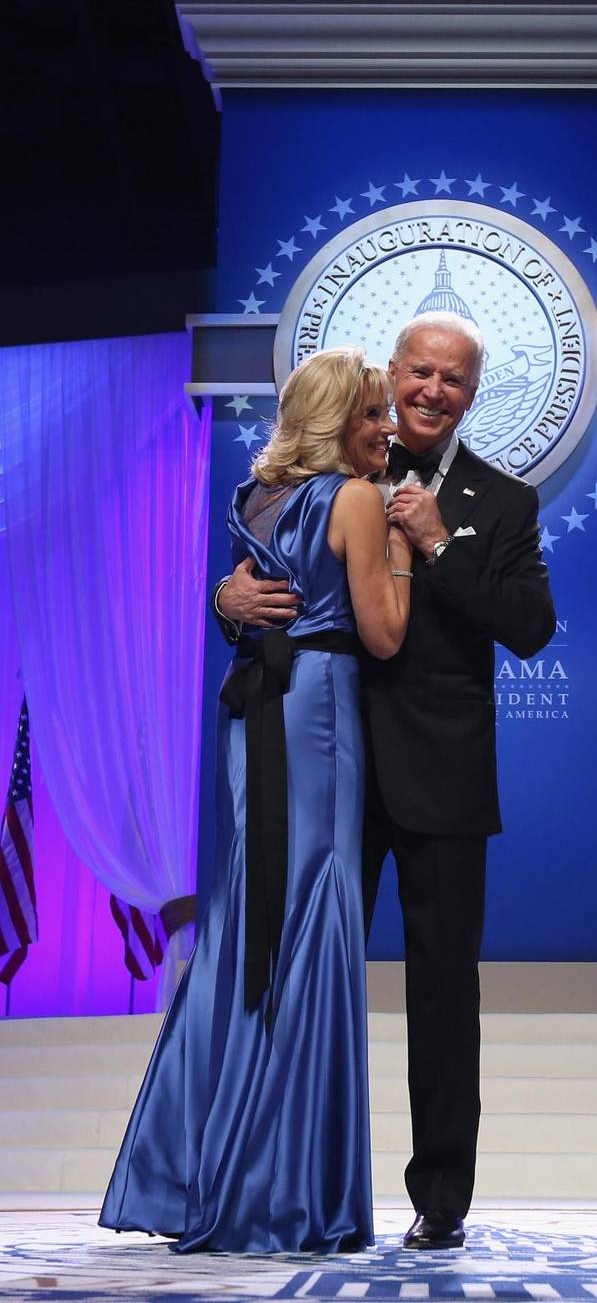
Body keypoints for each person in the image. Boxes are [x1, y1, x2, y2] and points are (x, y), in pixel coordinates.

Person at [217, 313, 557, 1250]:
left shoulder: (505, 500)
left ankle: (440, 1199)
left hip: (443, 780)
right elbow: (269, 574)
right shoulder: (346, 469)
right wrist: (226, 601)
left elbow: (530, 627)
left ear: (472, 395)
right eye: (419, 372)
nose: (431, 391)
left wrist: (442, 543)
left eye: (453, 379)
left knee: (443, 992)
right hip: (331, 767)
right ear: (395, 372)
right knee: (300, 969)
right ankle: (285, 1177)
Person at [100, 347, 414, 1254]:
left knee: (253, 915)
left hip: (255, 712)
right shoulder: (356, 498)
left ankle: (207, 1163)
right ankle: (280, 1188)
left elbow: (251, 598)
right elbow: (385, 635)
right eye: (371, 415)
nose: (385, 429)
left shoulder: (254, 502)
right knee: (310, 909)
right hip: (313, 712)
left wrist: (224, 600)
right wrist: (398, 543)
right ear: (333, 421)